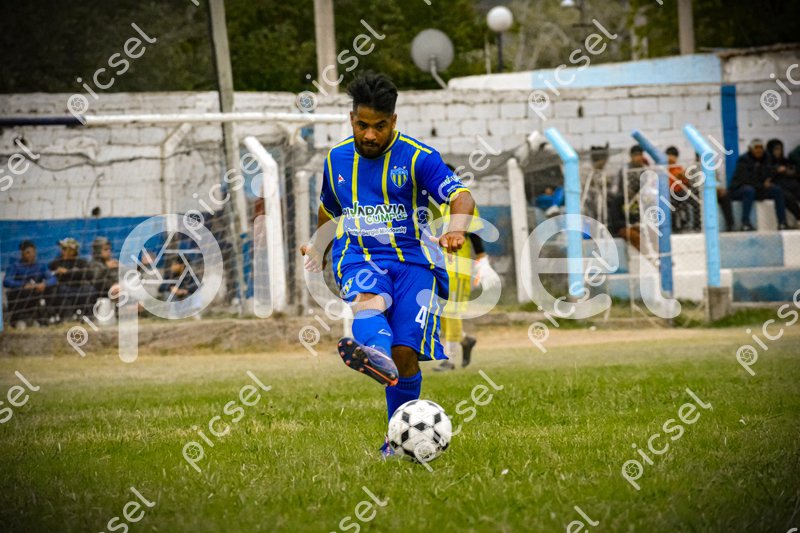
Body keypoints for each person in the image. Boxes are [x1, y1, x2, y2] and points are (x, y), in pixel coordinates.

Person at [300, 72, 476, 458]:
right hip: (359, 256)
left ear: (393, 121)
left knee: (405, 354)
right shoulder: (336, 159)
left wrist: (457, 229)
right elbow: (329, 207)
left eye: (379, 126)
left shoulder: (419, 157)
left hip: (415, 263)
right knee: (369, 299)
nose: (370, 135)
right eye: (362, 125)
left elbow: (461, 196)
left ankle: (395, 441)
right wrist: (319, 247)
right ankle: (376, 354)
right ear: (351, 119)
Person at [730, 139, 791, 231]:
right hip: (740, 189)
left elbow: (768, 171)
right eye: (756, 148)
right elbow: (744, 180)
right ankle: (745, 223)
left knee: (777, 190)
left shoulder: (766, 158)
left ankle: (782, 222)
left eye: (761, 148)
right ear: (750, 149)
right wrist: (762, 184)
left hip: (759, 188)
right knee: (749, 190)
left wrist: (771, 176)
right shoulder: (743, 160)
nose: (759, 151)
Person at [2, 240, 55, 327]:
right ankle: (18, 320)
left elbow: (53, 279)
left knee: (51, 290)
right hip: (21, 296)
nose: (31, 255)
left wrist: (44, 284)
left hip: (36, 294)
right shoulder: (15, 266)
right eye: (28, 252)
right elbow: (6, 281)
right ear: (22, 253)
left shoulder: (40, 266)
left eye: (33, 252)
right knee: (19, 293)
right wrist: (23, 285)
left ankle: (43, 319)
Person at [49, 238, 95, 319]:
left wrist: (68, 272)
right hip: (64, 289)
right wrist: (58, 271)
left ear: (73, 251)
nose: (62, 251)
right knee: (57, 290)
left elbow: (89, 274)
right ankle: (66, 318)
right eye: (62, 249)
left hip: (79, 288)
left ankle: (88, 316)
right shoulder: (57, 262)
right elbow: (51, 270)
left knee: (91, 290)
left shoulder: (81, 262)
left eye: (65, 249)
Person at [766, 138, 800, 224]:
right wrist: (776, 170)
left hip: (789, 184)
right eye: (776, 149)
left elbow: (794, 172)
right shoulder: (766, 161)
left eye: (780, 149)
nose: (778, 152)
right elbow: (765, 175)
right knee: (787, 196)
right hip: (776, 185)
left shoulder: (784, 161)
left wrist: (790, 172)